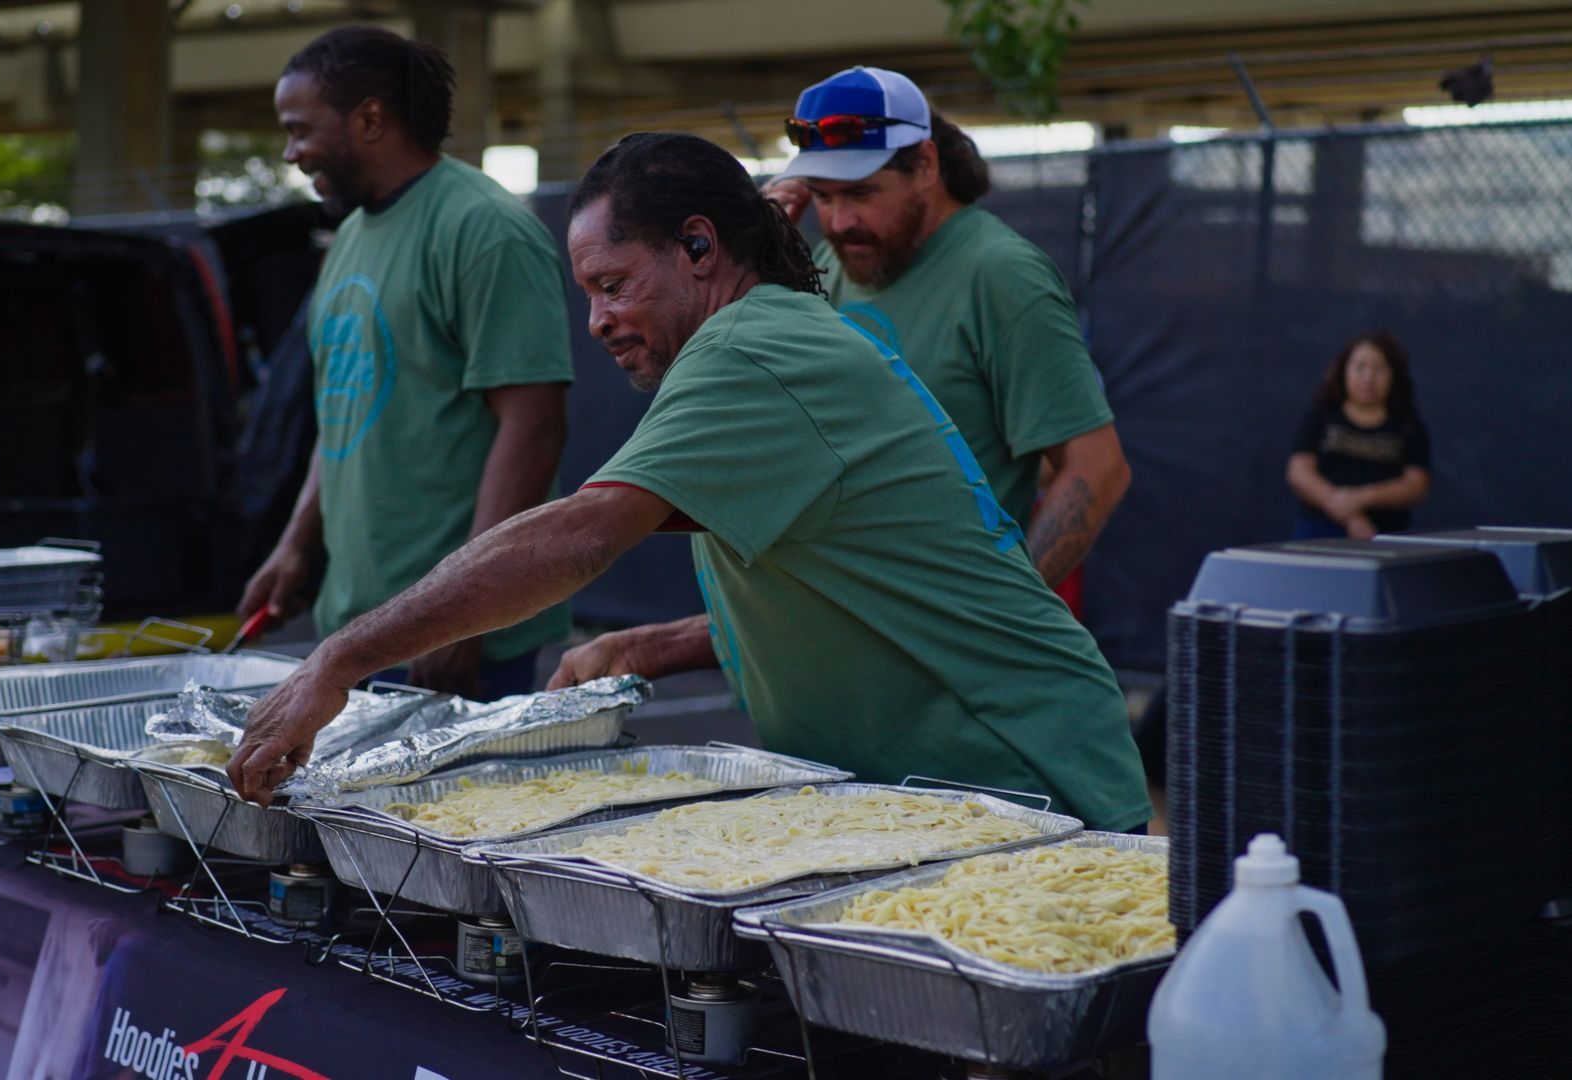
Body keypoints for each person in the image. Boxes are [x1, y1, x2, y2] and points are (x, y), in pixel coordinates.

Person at [227, 132, 1150, 833]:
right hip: (963, 777)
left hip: (1021, 778)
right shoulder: (775, 333)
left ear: (700, 248)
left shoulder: (754, 346)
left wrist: (338, 659)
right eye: (587, 294)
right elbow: (854, 581)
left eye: (614, 284)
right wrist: (652, 645)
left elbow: (579, 535)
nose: (596, 322)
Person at [237, 26, 575, 699]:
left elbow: (533, 430)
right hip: (354, 631)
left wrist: (464, 614)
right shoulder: (350, 236)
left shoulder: (485, 228)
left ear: (369, 118)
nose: (292, 152)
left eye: (300, 130)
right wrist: (297, 545)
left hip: (452, 640)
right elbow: (344, 415)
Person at [762, 67, 1130, 590]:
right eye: (822, 196)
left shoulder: (1000, 272)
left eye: (862, 193)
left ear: (926, 166)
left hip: (947, 637)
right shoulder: (832, 262)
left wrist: (1002, 609)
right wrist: (759, 251)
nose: (840, 221)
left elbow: (1098, 470)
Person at [1286, 331, 1430, 539]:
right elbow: (1298, 473)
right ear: (1343, 371)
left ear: (1394, 376)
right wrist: (1350, 515)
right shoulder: (1321, 416)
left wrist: (1362, 497)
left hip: (1384, 534)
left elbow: (1416, 485)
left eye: (1380, 369)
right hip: (1319, 530)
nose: (1368, 377)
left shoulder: (1409, 426)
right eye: (1360, 367)